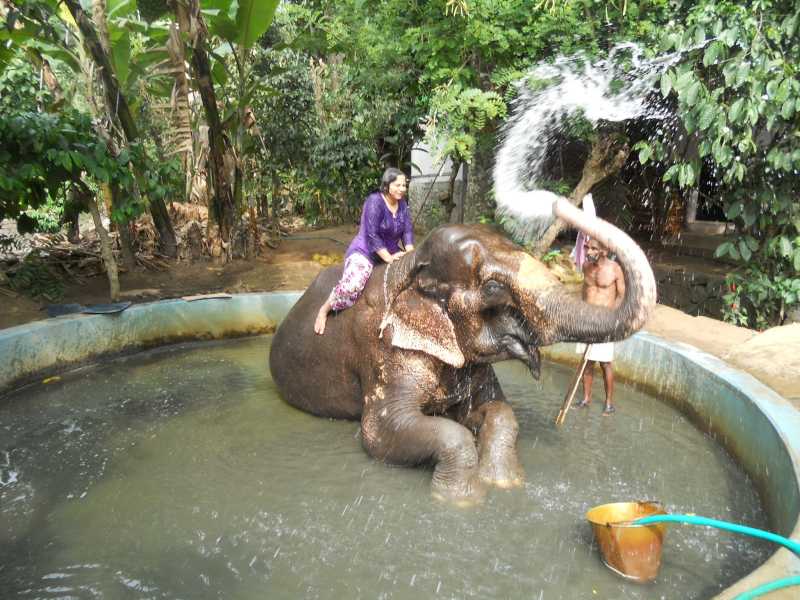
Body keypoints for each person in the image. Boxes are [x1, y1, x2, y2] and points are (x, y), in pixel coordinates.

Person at [314, 168, 414, 335]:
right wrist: (388, 258)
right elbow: (371, 234)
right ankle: (324, 309)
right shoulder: (374, 202)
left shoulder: (402, 204)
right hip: (366, 251)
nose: (402, 189)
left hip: (392, 250)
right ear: (387, 185)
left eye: (404, 185)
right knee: (352, 285)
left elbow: (407, 231)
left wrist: (410, 254)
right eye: (398, 185)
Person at [576, 238, 625, 415]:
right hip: (587, 321)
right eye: (587, 247)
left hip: (605, 322)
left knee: (605, 364)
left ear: (604, 250)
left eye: (593, 248)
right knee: (586, 363)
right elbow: (585, 290)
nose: (588, 251)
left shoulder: (615, 269)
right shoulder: (586, 267)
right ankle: (586, 398)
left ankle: (609, 403)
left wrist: (611, 316)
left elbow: (621, 295)